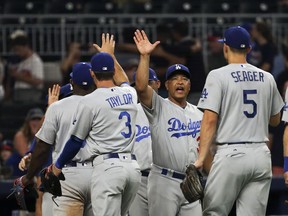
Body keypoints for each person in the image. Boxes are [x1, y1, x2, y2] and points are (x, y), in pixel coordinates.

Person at [33, 34, 140, 216]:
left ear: (92, 73)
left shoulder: (89, 101)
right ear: (113, 71)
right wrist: (112, 56)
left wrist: (57, 167)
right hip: (132, 169)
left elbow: (75, 140)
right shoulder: (130, 93)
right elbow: (123, 79)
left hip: (108, 168)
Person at [195, 26, 284, 215]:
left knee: (213, 213)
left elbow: (209, 120)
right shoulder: (267, 77)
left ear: (225, 47)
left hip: (231, 154)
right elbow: (276, 120)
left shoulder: (217, 75)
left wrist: (201, 159)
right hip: (260, 155)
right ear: (249, 49)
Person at [133, 29, 203, 216]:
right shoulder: (158, 107)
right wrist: (145, 56)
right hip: (164, 181)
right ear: (167, 85)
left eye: (184, 79)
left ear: (189, 85)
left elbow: (205, 149)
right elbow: (141, 87)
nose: (180, 82)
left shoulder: (198, 114)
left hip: (191, 181)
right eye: (174, 79)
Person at [15, 62, 95, 216]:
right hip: (98, 173)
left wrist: (27, 177)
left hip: (66, 175)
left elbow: (43, 145)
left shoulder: (58, 108)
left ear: (72, 83)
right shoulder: (100, 104)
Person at [129, 68, 161, 216]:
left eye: (148, 83)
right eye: (139, 84)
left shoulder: (169, 109)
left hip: (163, 178)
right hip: (139, 179)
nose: (143, 87)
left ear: (158, 84)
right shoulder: (129, 113)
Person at [5, 107, 44, 177]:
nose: (36, 122)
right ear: (28, 122)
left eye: (39, 119)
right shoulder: (20, 135)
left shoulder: (46, 136)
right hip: (17, 171)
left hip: (34, 170)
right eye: (33, 119)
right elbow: (27, 157)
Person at [8, 30, 44, 102]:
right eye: (15, 50)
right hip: (18, 94)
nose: (17, 52)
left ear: (26, 47)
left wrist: (19, 76)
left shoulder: (35, 61)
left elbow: (38, 82)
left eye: (18, 49)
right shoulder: (19, 62)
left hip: (30, 95)